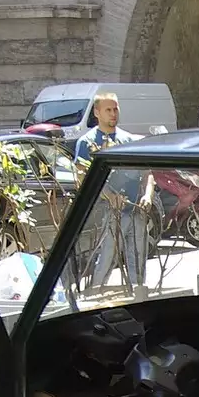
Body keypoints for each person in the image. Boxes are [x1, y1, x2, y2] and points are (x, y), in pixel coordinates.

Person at [73, 92, 154, 295]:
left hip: (135, 210)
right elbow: (81, 178)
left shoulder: (129, 140)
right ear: (97, 112)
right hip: (107, 211)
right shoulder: (87, 142)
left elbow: (148, 173)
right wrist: (108, 195)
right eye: (108, 110)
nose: (113, 114)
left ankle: (139, 300)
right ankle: (94, 301)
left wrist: (148, 195)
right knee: (106, 259)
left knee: (138, 261)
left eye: (115, 109)